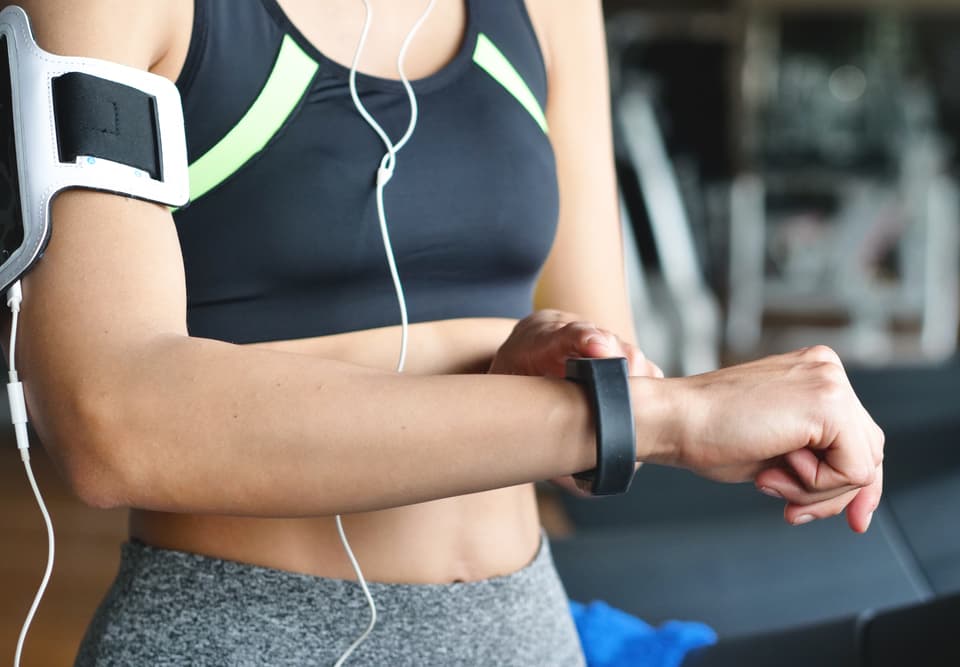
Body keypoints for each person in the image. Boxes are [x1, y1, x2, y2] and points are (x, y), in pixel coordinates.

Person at [7, 1, 883, 665]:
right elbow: (112, 418)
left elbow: (603, 394)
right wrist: (667, 417)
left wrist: (539, 362)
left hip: (519, 629)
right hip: (242, 630)